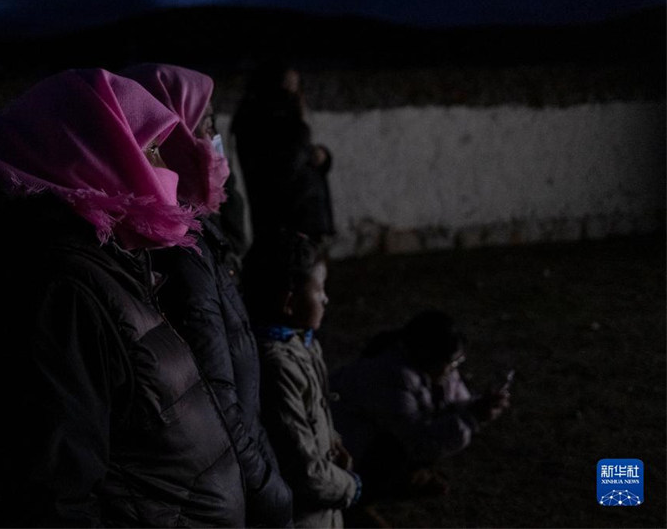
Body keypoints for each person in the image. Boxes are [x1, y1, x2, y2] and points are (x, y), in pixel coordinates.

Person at [0, 68, 246, 527]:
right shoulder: (55, 289)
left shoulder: (98, 263)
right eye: (151, 149)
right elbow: (53, 494)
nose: (167, 168)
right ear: (97, 155)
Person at [120, 63, 294, 527]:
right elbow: (216, 395)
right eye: (206, 123)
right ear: (170, 135)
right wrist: (268, 490)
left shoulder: (199, 233)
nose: (215, 139)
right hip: (228, 483)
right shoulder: (178, 251)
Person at [242, 231, 360, 528]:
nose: (326, 298)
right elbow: (304, 470)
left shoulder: (302, 343)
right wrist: (350, 487)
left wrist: (333, 443)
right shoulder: (278, 366)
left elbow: (314, 418)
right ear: (289, 301)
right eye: (319, 290)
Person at [329, 310, 511, 501]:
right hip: (344, 447)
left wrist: (478, 405)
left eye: (459, 360)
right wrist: (471, 417)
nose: (454, 367)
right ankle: (365, 491)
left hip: (373, 437)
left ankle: (405, 479)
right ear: (427, 353)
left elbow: (452, 402)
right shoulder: (389, 376)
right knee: (393, 449)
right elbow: (418, 441)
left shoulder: (437, 368)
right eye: (452, 361)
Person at [231, 59, 335, 247]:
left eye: (296, 89)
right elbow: (285, 168)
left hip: (302, 228)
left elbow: (304, 160)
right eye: (287, 89)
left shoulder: (287, 124)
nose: (296, 97)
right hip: (286, 229)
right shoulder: (260, 123)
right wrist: (301, 128)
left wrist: (323, 156)